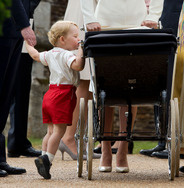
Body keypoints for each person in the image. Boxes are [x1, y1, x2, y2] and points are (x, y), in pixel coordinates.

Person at [80, 0, 164, 173]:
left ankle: (123, 149)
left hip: (138, 24)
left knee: (131, 85)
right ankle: (105, 149)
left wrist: (153, 15)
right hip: (104, 24)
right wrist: (89, 18)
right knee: (104, 86)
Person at [26, 20, 85, 179]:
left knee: (50, 130)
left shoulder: (50, 54)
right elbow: (78, 66)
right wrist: (81, 50)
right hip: (63, 94)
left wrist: (28, 43)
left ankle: (43, 156)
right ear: (62, 39)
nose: (78, 39)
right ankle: (47, 159)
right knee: (59, 131)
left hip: (50, 93)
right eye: (75, 36)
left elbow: (35, 55)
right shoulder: (67, 55)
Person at [139, 0, 184, 159]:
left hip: (177, 18)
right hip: (160, 17)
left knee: (173, 79)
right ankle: (162, 138)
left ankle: (175, 140)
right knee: (160, 76)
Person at [0, 0, 39, 178]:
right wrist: (24, 23)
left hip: (12, 30)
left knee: (5, 97)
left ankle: (0, 159)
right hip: (6, 25)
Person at [58, 0, 100, 160]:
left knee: (89, 81)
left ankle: (75, 138)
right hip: (87, 15)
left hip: (90, 12)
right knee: (86, 79)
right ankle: (68, 137)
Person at [7, 8, 41, 158]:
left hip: (25, 22)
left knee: (22, 82)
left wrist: (26, 8)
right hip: (8, 23)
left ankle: (18, 141)